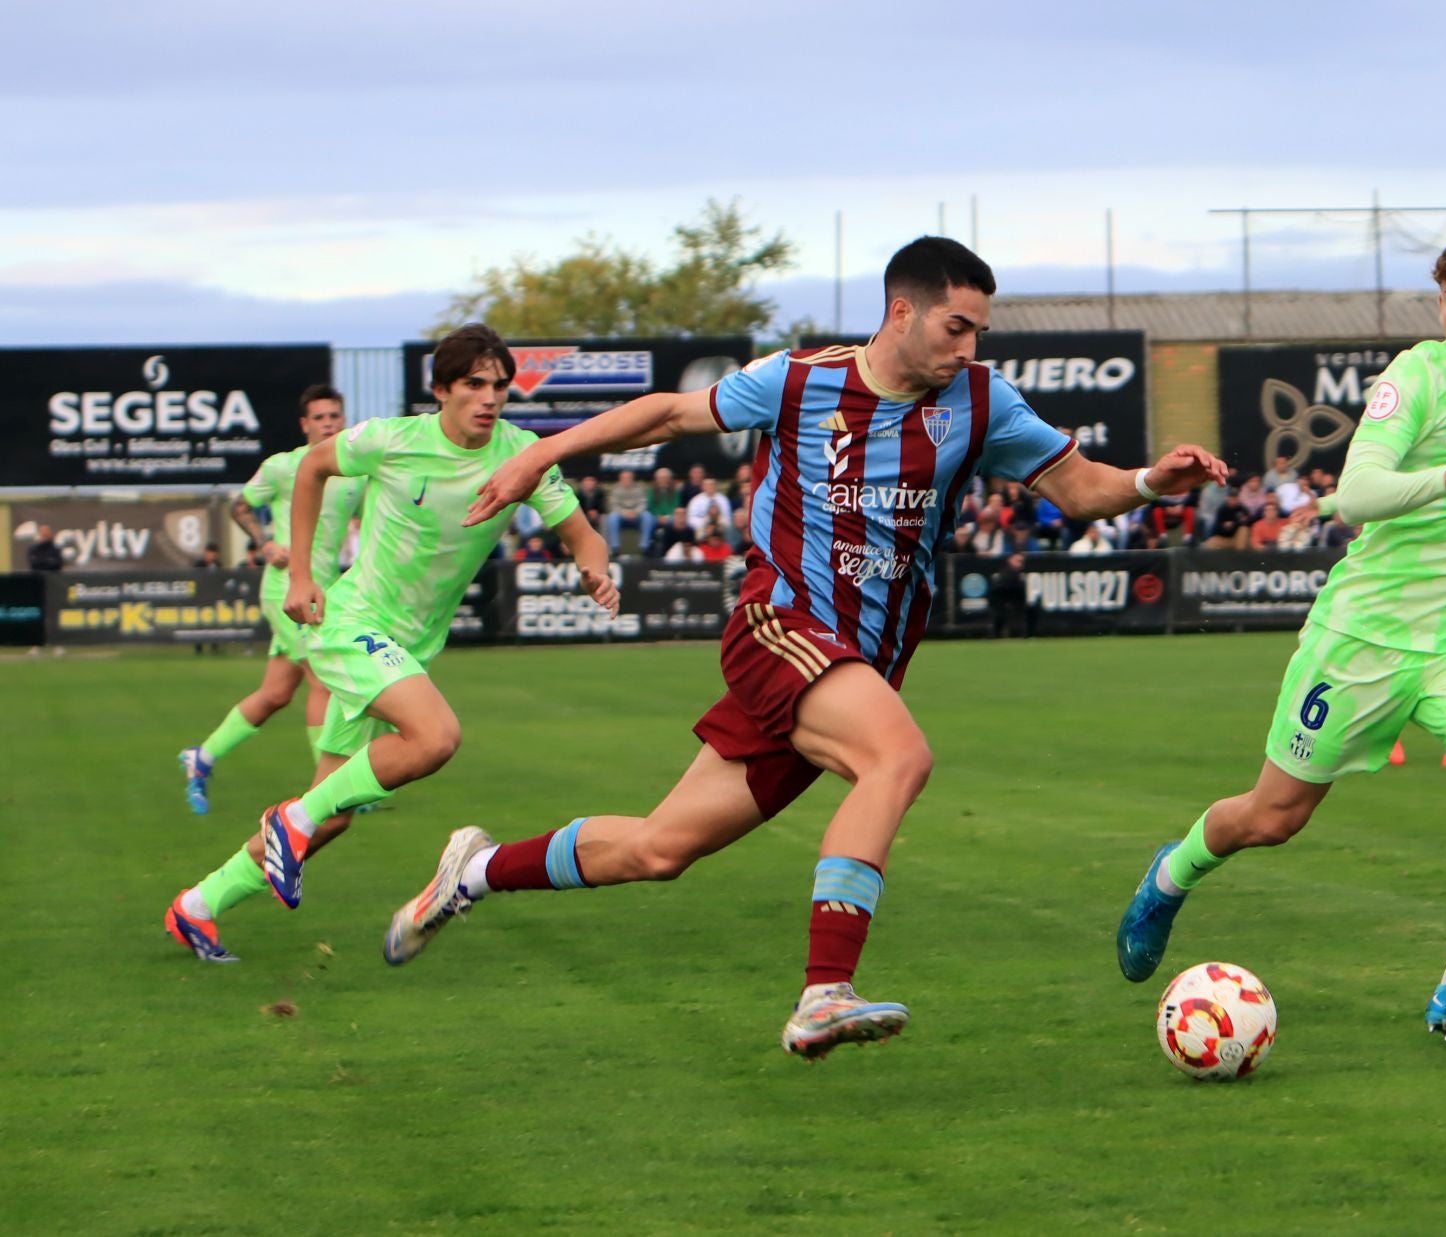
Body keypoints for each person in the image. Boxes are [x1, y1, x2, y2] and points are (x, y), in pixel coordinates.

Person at [380, 236, 1225, 1059]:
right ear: (903, 312)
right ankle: (825, 991)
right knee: (898, 757)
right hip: (779, 627)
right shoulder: (800, 379)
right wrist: (543, 454)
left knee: (660, 846)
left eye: (979, 332)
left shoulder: (980, 399)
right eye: (956, 326)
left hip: (853, 667)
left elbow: (1079, 489)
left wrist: (1151, 481)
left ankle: (474, 871)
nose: (969, 346)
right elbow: (670, 413)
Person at [1114, 222, 1446, 1042]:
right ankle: (1172, 871)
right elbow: (1359, 491)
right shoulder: (1418, 377)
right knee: (1273, 816)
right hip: (1362, 639)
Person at [163, 326, 612, 963]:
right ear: (441, 391)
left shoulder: (522, 455)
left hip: (407, 649)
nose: (489, 398)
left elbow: (583, 535)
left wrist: (596, 567)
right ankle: (288, 821)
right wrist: (299, 574)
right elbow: (313, 467)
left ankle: (198, 905)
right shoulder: (393, 439)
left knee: (333, 811)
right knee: (434, 737)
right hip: (352, 625)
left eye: (500, 387)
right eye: (474, 385)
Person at [176, 385, 366, 815]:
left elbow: (371, 523)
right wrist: (265, 544)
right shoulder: (284, 467)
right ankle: (331, 788)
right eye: (319, 417)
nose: (329, 423)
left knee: (275, 694)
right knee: (324, 679)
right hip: (287, 588)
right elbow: (240, 505)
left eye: (335, 415)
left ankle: (200, 758)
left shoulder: (356, 474)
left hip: (327, 591)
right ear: (305, 425)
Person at [603, 469, 647, 555]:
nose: (627, 480)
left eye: (629, 478)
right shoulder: (615, 490)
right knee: (612, 517)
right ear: (620, 479)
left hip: (636, 516)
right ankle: (615, 547)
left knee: (647, 516)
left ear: (632, 479)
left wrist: (635, 512)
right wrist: (624, 513)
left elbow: (643, 503)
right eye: (624, 478)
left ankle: (644, 546)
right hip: (621, 516)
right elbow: (613, 505)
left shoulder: (639, 489)